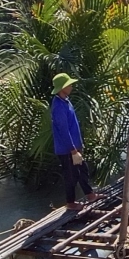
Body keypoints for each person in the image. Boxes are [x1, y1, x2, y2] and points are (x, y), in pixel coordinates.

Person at [50, 73, 97, 209]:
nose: (71, 86)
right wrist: (73, 149)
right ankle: (70, 203)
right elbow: (64, 131)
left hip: (74, 147)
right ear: (62, 87)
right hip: (67, 149)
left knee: (83, 170)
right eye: (68, 84)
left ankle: (90, 194)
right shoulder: (58, 106)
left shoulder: (66, 101)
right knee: (71, 176)